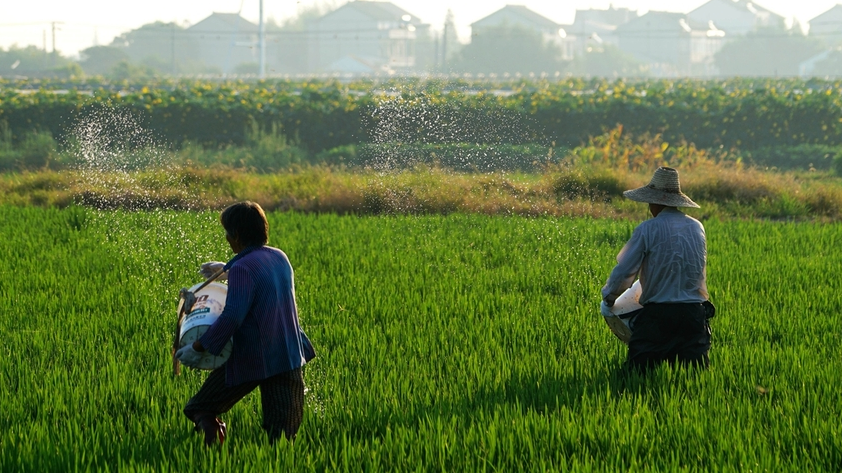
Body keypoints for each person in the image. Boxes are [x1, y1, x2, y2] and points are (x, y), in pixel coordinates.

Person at [176, 201, 316, 446]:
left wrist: (198, 348)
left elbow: (232, 317)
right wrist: (227, 270)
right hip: (287, 354)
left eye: (228, 233)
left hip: (252, 357)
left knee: (200, 408)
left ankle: (213, 453)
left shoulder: (242, 269)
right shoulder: (279, 256)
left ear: (237, 235)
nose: (227, 238)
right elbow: (260, 275)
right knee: (282, 438)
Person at [601, 167, 713, 371]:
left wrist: (609, 298)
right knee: (693, 379)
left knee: (637, 377)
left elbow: (624, 272)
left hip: (658, 318)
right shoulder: (697, 227)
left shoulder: (647, 229)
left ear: (654, 202)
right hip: (694, 315)